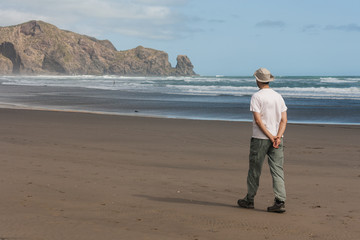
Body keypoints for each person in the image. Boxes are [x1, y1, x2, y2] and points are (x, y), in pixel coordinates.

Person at [238, 67, 288, 213]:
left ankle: (249, 199)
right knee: (277, 170)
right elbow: (284, 120)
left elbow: (258, 121)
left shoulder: (257, 96)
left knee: (255, 170)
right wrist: (277, 136)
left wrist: (270, 136)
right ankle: (280, 200)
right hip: (278, 139)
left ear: (258, 80)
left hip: (260, 138)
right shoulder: (278, 96)